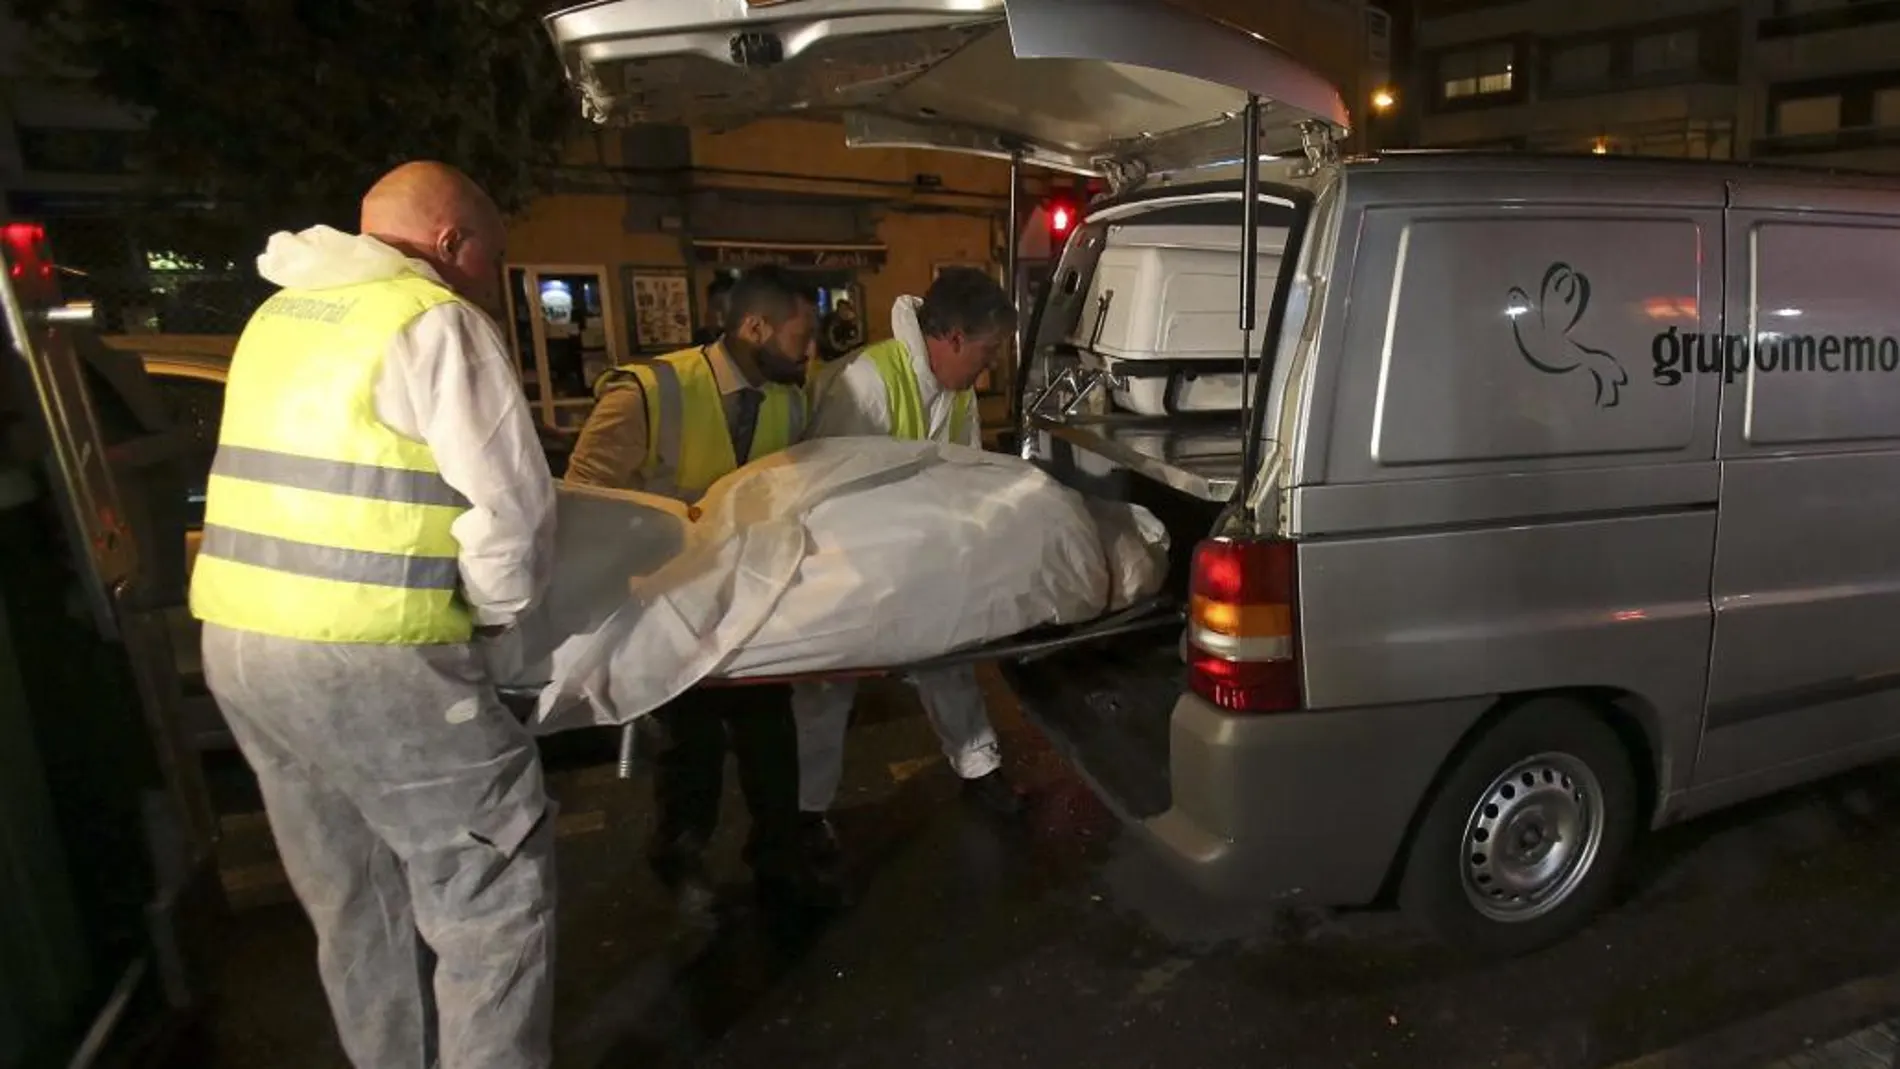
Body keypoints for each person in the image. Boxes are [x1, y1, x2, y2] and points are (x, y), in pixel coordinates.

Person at [188, 162, 558, 1069]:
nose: (489, 281)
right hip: (373, 657)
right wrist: (495, 624)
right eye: (493, 260)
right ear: (451, 243)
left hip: (241, 651)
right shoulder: (432, 321)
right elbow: (512, 513)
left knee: (355, 902)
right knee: (491, 886)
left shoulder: (275, 318)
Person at [565, 264, 845, 919]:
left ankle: (777, 857)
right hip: (667, 603)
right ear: (755, 327)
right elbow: (582, 502)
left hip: (752, 605)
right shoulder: (649, 391)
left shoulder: (791, 401)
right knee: (691, 746)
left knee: (771, 739)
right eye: (800, 335)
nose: (810, 351)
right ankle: (680, 852)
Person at [796, 267, 1025, 853]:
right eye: (987, 351)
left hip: (919, 553)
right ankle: (806, 810)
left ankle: (979, 766)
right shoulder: (866, 381)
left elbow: (966, 473)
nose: (989, 366)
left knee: (948, 660)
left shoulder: (957, 391)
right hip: (847, 562)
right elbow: (825, 490)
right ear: (951, 338)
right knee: (827, 688)